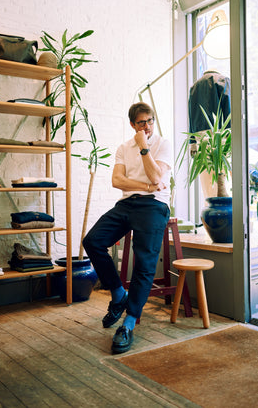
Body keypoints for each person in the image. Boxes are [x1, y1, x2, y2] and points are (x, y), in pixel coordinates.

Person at [83, 102, 171, 354]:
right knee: (93, 241)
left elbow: (156, 177)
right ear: (132, 124)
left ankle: (129, 323)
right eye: (141, 122)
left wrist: (144, 147)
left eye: (150, 121)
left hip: (154, 205)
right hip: (128, 203)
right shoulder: (123, 148)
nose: (147, 126)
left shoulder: (162, 144)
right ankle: (118, 293)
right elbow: (117, 181)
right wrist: (144, 186)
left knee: (144, 263)